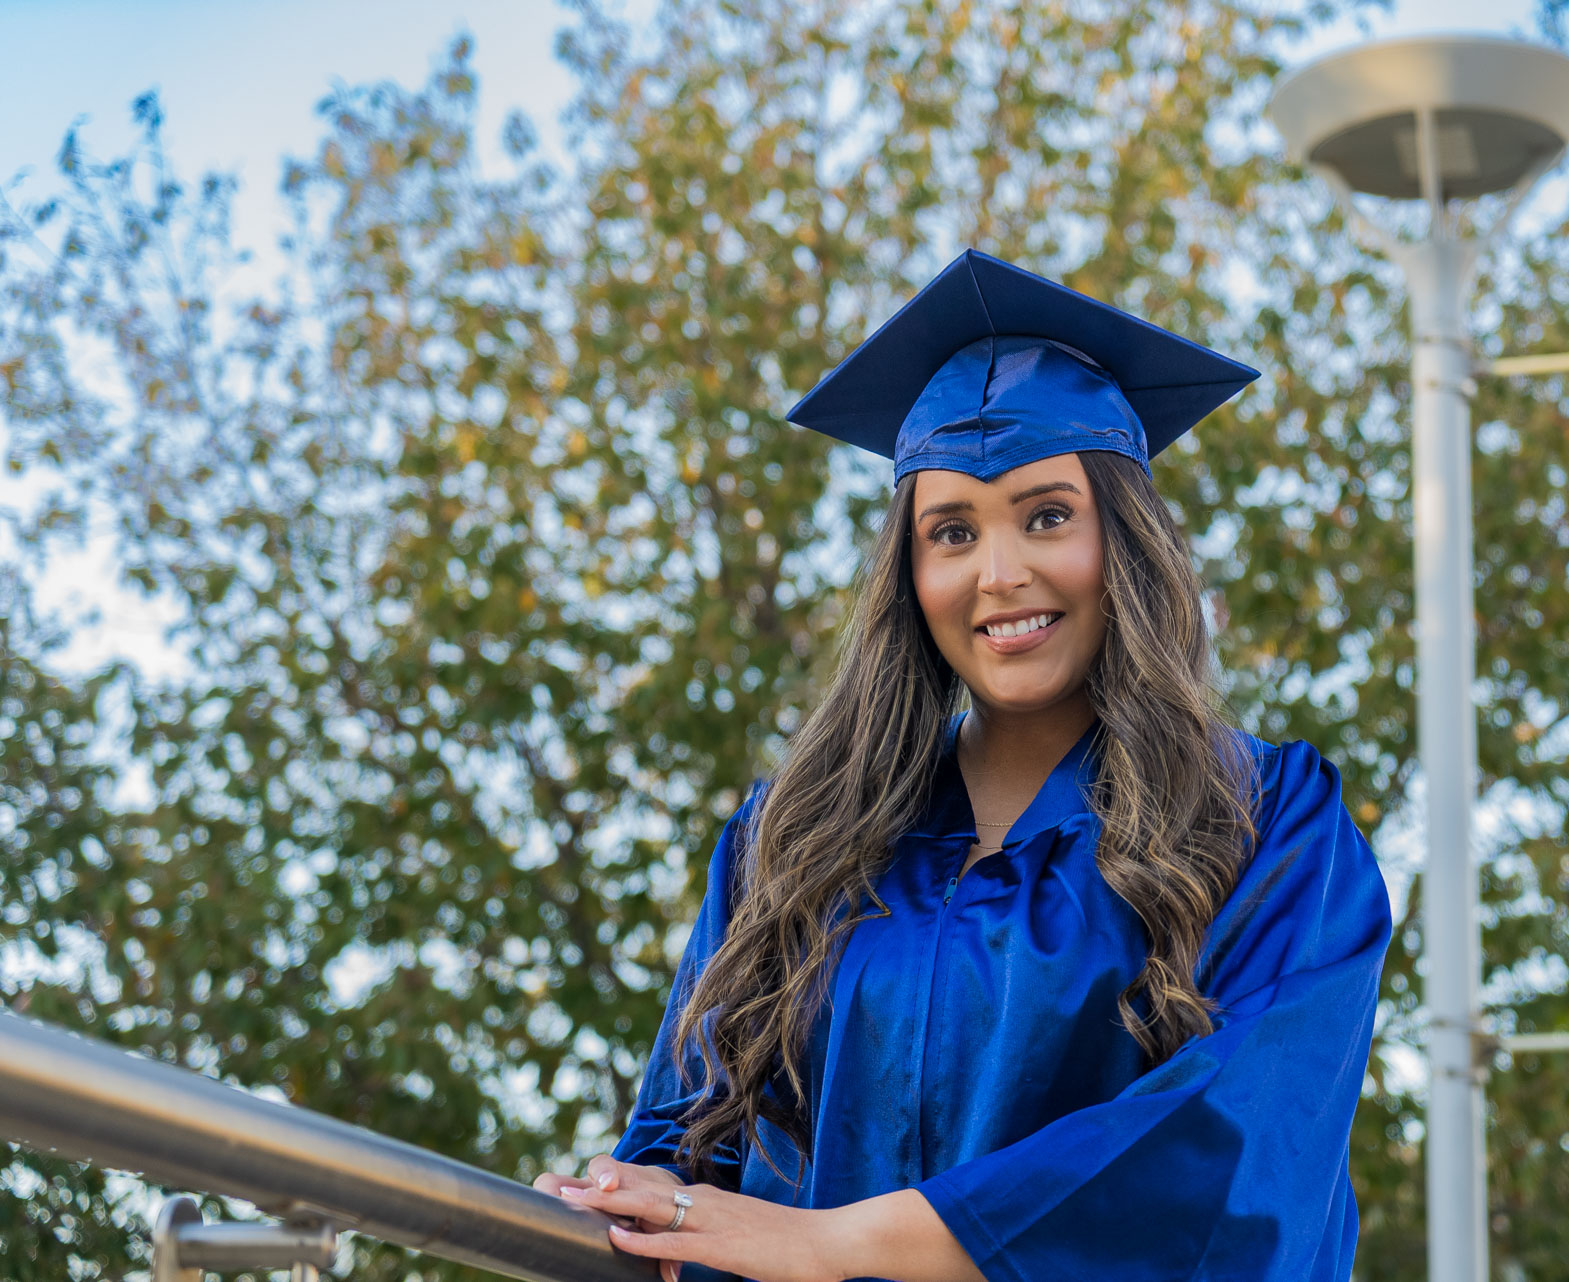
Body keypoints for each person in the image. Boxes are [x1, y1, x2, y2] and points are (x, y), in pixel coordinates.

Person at [533, 249, 1392, 1282]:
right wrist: (611, 1201)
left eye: (1047, 516)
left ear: (1124, 541)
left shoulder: (1265, 822)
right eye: (951, 531)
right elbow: (686, 1142)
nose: (999, 574)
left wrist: (833, 1243)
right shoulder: (793, 843)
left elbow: (1232, 1153)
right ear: (911, 571)